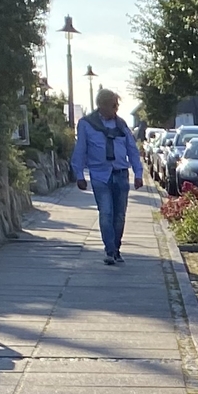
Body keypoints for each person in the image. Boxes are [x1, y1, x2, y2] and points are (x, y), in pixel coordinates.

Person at [72, 88, 144, 264]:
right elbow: (80, 150)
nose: (116, 109)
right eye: (113, 105)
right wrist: (79, 174)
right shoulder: (86, 124)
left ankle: (116, 248)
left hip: (120, 174)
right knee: (106, 213)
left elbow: (132, 150)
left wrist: (138, 173)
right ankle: (109, 251)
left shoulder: (121, 125)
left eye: (117, 105)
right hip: (100, 176)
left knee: (119, 215)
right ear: (102, 105)